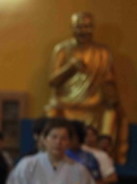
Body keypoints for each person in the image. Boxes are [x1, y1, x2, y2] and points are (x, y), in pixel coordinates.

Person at [45, 11, 128, 164]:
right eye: (79, 27)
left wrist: (112, 99)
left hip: (94, 106)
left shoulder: (102, 52)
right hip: (66, 104)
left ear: (92, 28)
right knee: (52, 113)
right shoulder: (62, 49)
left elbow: (109, 81)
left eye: (87, 27)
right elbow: (53, 81)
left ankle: (104, 157)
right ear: (72, 28)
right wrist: (70, 68)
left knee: (114, 111)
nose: (83, 31)